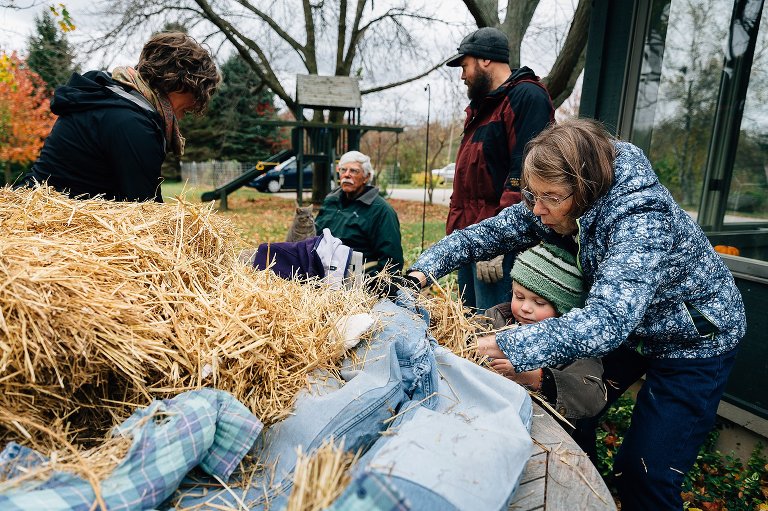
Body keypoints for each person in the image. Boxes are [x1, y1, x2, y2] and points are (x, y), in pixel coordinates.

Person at [406, 118, 745, 510]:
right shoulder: (554, 197)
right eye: (532, 195)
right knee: (569, 405)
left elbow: (607, 321)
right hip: (635, 326)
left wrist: (498, 343)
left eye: (549, 197)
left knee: (644, 472)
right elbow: (486, 234)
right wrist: (421, 272)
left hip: (693, 339)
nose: (538, 209)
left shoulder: (641, 217)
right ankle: (583, 492)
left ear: (585, 189)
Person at [18, 32, 220, 202]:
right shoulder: (132, 123)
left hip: (39, 207)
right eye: (187, 105)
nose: (184, 115)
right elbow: (146, 210)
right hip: (55, 225)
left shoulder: (110, 97)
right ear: (178, 83)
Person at [444, 27, 554, 313]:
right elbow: (470, 184)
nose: (462, 75)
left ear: (485, 61)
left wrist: (498, 245)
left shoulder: (526, 98)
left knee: (490, 331)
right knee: (467, 327)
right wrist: (456, 237)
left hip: (500, 247)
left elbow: (526, 177)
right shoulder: (482, 109)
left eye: (465, 65)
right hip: (471, 241)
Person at [478, 242, 606, 423]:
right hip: (488, 414)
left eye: (539, 303)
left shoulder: (578, 342)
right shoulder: (497, 317)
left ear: (564, 310)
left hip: (544, 429)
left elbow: (593, 397)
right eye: (519, 296)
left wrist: (535, 377)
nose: (525, 308)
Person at [315, 151, 404, 276]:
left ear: (366, 177)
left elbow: (392, 263)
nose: (346, 175)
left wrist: (371, 285)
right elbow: (313, 237)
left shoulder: (381, 210)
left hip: (356, 280)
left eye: (354, 171)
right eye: (343, 170)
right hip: (318, 273)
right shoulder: (331, 201)